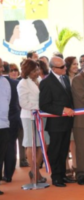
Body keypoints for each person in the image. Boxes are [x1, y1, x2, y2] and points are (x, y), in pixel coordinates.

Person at [39, 56, 75, 187]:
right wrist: (62, 110)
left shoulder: (65, 78)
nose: (65, 68)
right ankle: (56, 177)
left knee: (64, 150)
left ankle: (63, 175)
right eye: (62, 67)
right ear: (53, 68)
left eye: (65, 65)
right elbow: (44, 105)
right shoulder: (46, 82)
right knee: (55, 150)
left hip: (67, 122)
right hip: (55, 124)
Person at [17, 59, 50, 183]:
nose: (37, 72)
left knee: (45, 142)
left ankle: (34, 170)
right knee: (31, 144)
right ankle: (35, 172)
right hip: (29, 116)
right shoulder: (23, 83)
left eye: (38, 69)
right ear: (28, 71)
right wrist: (39, 107)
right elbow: (23, 103)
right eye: (35, 70)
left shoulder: (40, 80)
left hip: (42, 116)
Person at [64, 56, 79, 178]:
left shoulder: (79, 78)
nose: (76, 66)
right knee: (65, 140)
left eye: (77, 64)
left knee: (74, 140)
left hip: (78, 113)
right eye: (74, 64)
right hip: (65, 114)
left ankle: (75, 164)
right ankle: (66, 166)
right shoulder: (63, 79)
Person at [0, 57, 11, 195]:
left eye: (2, 66)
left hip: (4, 125)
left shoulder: (5, 82)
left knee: (1, 155)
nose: (2, 69)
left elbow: (8, 101)